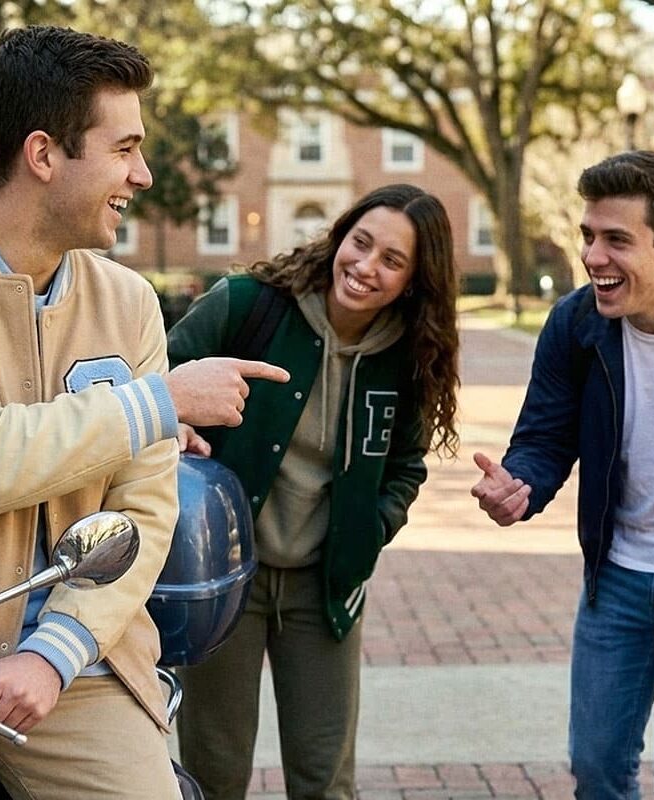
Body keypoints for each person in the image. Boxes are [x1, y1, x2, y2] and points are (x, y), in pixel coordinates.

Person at [0, 25, 287, 800]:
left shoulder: (127, 300)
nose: (143, 173)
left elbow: (145, 508)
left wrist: (54, 652)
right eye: (125, 148)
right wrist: (161, 400)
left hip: (82, 675)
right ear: (43, 154)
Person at [471, 150, 654, 799]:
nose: (592, 256)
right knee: (598, 770)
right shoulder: (577, 325)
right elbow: (544, 439)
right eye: (588, 235)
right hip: (618, 581)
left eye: (616, 240)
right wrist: (517, 487)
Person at [167, 183, 460, 800]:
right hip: (225, 582)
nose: (366, 266)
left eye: (392, 260)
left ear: (414, 279)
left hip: (325, 588)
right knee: (214, 772)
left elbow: (406, 465)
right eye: (361, 243)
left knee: (324, 778)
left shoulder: (408, 354)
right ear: (339, 236)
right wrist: (179, 427)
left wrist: (369, 530)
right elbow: (152, 384)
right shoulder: (248, 307)